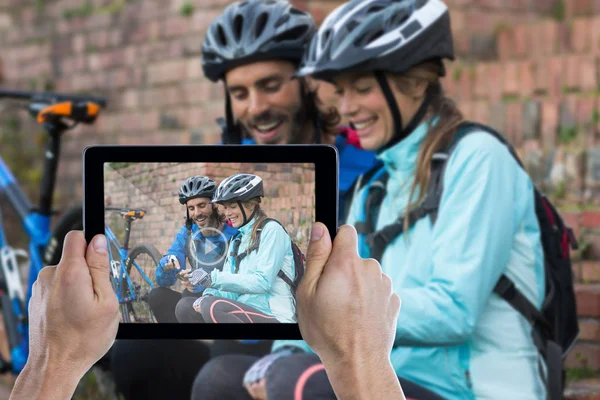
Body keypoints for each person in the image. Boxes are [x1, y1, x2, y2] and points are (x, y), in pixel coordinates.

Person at [227, 0, 547, 399]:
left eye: (362, 88)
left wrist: (345, 313)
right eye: (341, 92)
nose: (346, 110)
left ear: (414, 83)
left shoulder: (479, 159)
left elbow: (453, 313)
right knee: (224, 381)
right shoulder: (375, 185)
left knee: (297, 380)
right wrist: (289, 345)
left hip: (471, 391)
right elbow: (331, 287)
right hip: (392, 379)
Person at [9, 224, 407, 400]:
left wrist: (50, 365)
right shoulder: (193, 228)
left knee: (220, 367)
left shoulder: (249, 231)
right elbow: (173, 256)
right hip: (236, 317)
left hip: (272, 327)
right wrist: (172, 267)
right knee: (148, 345)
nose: (200, 214)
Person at [175, 173, 298, 324]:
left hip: (274, 315)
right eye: (225, 207)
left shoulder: (272, 230)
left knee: (211, 306)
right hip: (244, 310)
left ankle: (237, 346)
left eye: (232, 206)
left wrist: (212, 278)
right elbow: (230, 291)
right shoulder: (237, 239)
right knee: (186, 306)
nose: (227, 213)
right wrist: (208, 293)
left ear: (251, 204)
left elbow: (262, 283)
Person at [148, 176, 238, 323]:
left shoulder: (234, 232)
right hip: (195, 297)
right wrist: (168, 265)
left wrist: (205, 281)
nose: (197, 213)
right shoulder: (188, 232)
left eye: (202, 205)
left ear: (214, 204)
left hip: (224, 300)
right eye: (191, 208)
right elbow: (165, 281)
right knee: (158, 295)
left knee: (187, 300)